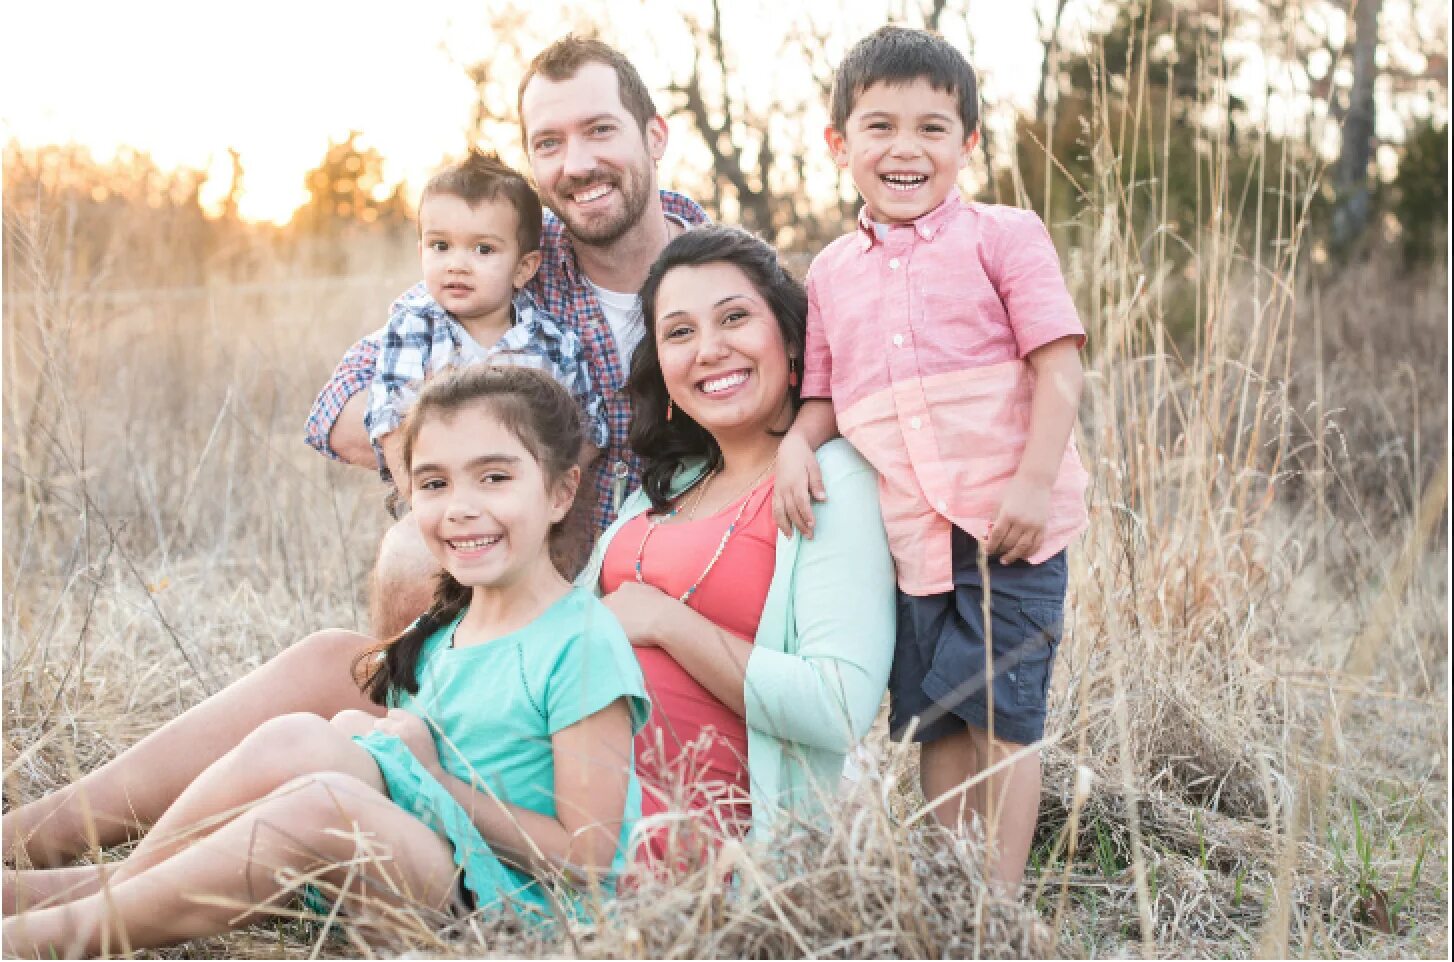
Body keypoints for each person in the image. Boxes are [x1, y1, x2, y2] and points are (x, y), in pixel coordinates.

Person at [4, 365, 650, 957]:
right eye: (434, 483)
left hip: (514, 917)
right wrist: (371, 749)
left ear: (562, 492)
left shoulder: (579, 643)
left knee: (327, 803)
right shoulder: (453, 625)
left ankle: (53, 934)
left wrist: (427, 776)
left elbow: (589, 862)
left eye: (495, 477)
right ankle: (93, 888)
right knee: (301, 738)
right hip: (426, 860)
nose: (460, 506)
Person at [773, 25, 1088, 891]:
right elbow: (824, 400)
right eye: (878, 126)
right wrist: (797, 447)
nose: (904, 148)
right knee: (936, 716)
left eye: (931, 127)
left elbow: (1059, 368)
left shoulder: (1005, 236)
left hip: (1011, 523)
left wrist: (1030, 480)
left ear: (968, 143)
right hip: (909, 537)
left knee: (1003, 714)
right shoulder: (830, 272)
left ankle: (1000, 901)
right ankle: (951, 886)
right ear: (840, 144)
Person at [305, 35, 709, 638]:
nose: (575, 164)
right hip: (533, 555)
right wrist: (486, 452)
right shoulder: (503, 262)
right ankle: (418, 723)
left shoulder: (728, 274)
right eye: (549, 143)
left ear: (654, 136)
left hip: (686, 560)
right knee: (414, 551)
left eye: (600, 130)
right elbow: (342, 409)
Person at [586, 225, 895, 855]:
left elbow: (837, 707)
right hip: (566, 770)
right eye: (679, 332)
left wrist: (665, 622)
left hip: (683, 834)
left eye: (734, 317)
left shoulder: (829, 477)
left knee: (331, 795)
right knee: (329, 670)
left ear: (790, 342)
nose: (709, 349)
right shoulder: (669, 483)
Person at [363, 149, 607, 488]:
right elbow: (389, 423)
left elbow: (590, 430)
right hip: (439, 503)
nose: (457, 264)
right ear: (421, 253)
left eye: (483, 250)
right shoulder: (415, 328)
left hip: (530, 508)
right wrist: (421, 502)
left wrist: (547, 498)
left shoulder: (553, 343)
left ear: (523, 268)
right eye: (441, 246)